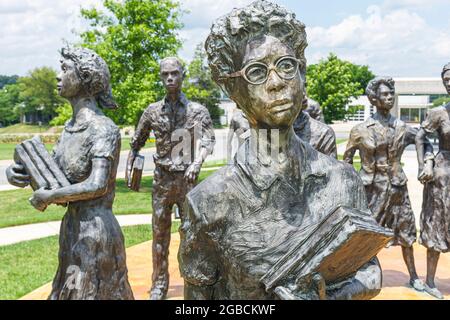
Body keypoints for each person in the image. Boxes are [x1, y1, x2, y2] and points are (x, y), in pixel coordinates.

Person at [178, 0, 387, 300]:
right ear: (233, 91)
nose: (276, 83)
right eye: (257, 71)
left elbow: (369, 268)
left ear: (302, 74)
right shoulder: (208, 202)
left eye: (286, 66)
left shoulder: (343, 180)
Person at [6, 47, 134, 300]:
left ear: (85, 78)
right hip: (72, 228)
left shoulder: (102, 128)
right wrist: (17, 173)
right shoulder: (68, 130)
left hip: (96, 232)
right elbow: (51, 172)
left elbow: (97, 185)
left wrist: (50, 196)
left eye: (65, 70)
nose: (58, 76)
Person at [125, 57, 215, 300]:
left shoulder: (198, 111)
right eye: (165, 74)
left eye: (174, 73)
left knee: (192, 235)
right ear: (160, 77)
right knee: (159, 234)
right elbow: (136, 142)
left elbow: (209, 140)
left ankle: (194, 282)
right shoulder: (152, 111)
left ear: (183, 75)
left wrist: (197, 162)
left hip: (187, 180)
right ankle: (159, 284)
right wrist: (131, 167)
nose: (170, 78)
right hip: (162, 181)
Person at [344, 77, 434, 294]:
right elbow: (346, 160)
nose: (389, 97)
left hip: (396, 189)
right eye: (384, 94)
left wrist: (427, 163)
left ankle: (413, 277)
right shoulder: (360, 129)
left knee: (406, 233)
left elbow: (426, 142)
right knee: (365, 235)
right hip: (371, 190)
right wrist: (350, 185)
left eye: (391, 94)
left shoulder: (402, 127)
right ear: (374, 99)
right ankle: (354, 276)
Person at [415, 63, 450, 299]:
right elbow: (420, 136)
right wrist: (424, 164)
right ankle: (429, 281)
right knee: (437, 223)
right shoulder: (439, 113)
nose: (449, 83)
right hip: (443, 175)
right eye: (446, 79)